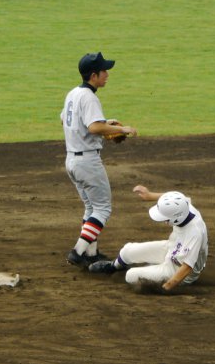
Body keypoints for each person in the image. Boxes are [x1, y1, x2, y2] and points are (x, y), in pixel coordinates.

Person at [61, 52, 137, 268]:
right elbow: (94, 127)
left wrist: (107, 123)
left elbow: (69, 122)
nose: (107, 74)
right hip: (87, 163)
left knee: (91, 208)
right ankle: (77, 252)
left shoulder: (73, 94)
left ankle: (91, 254)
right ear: (93, 75)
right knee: (103, 209)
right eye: (104, 71)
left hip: (72, 160)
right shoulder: (89, 97)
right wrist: (122, 128)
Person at [89, 185, 209, 293]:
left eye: (166, 218)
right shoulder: (184, 206)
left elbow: (187, 268)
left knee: (131, 275)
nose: (164, 221)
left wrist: (166, 288)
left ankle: (152, 270)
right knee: (127, 250)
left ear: (177, 218)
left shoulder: (194, 233)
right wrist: (149, 195)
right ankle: (113, 267)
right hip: (172, 248)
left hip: (177, 270)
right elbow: (172, 198)